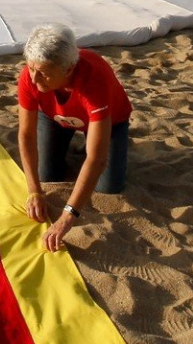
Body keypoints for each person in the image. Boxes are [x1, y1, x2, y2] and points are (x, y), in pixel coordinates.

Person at [16, 23, 132, 252]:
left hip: (110, 120)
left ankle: (108, 143)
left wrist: (67, 216)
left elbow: (96, 159)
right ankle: (69, 144)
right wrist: (34, 191)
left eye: (44, 73)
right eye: (31, 68)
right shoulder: (30, 76)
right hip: (56, 117)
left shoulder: (94, 80)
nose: (35, 79)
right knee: (47, 174)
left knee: (109, 187)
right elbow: (26, 134)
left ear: (68, 69)